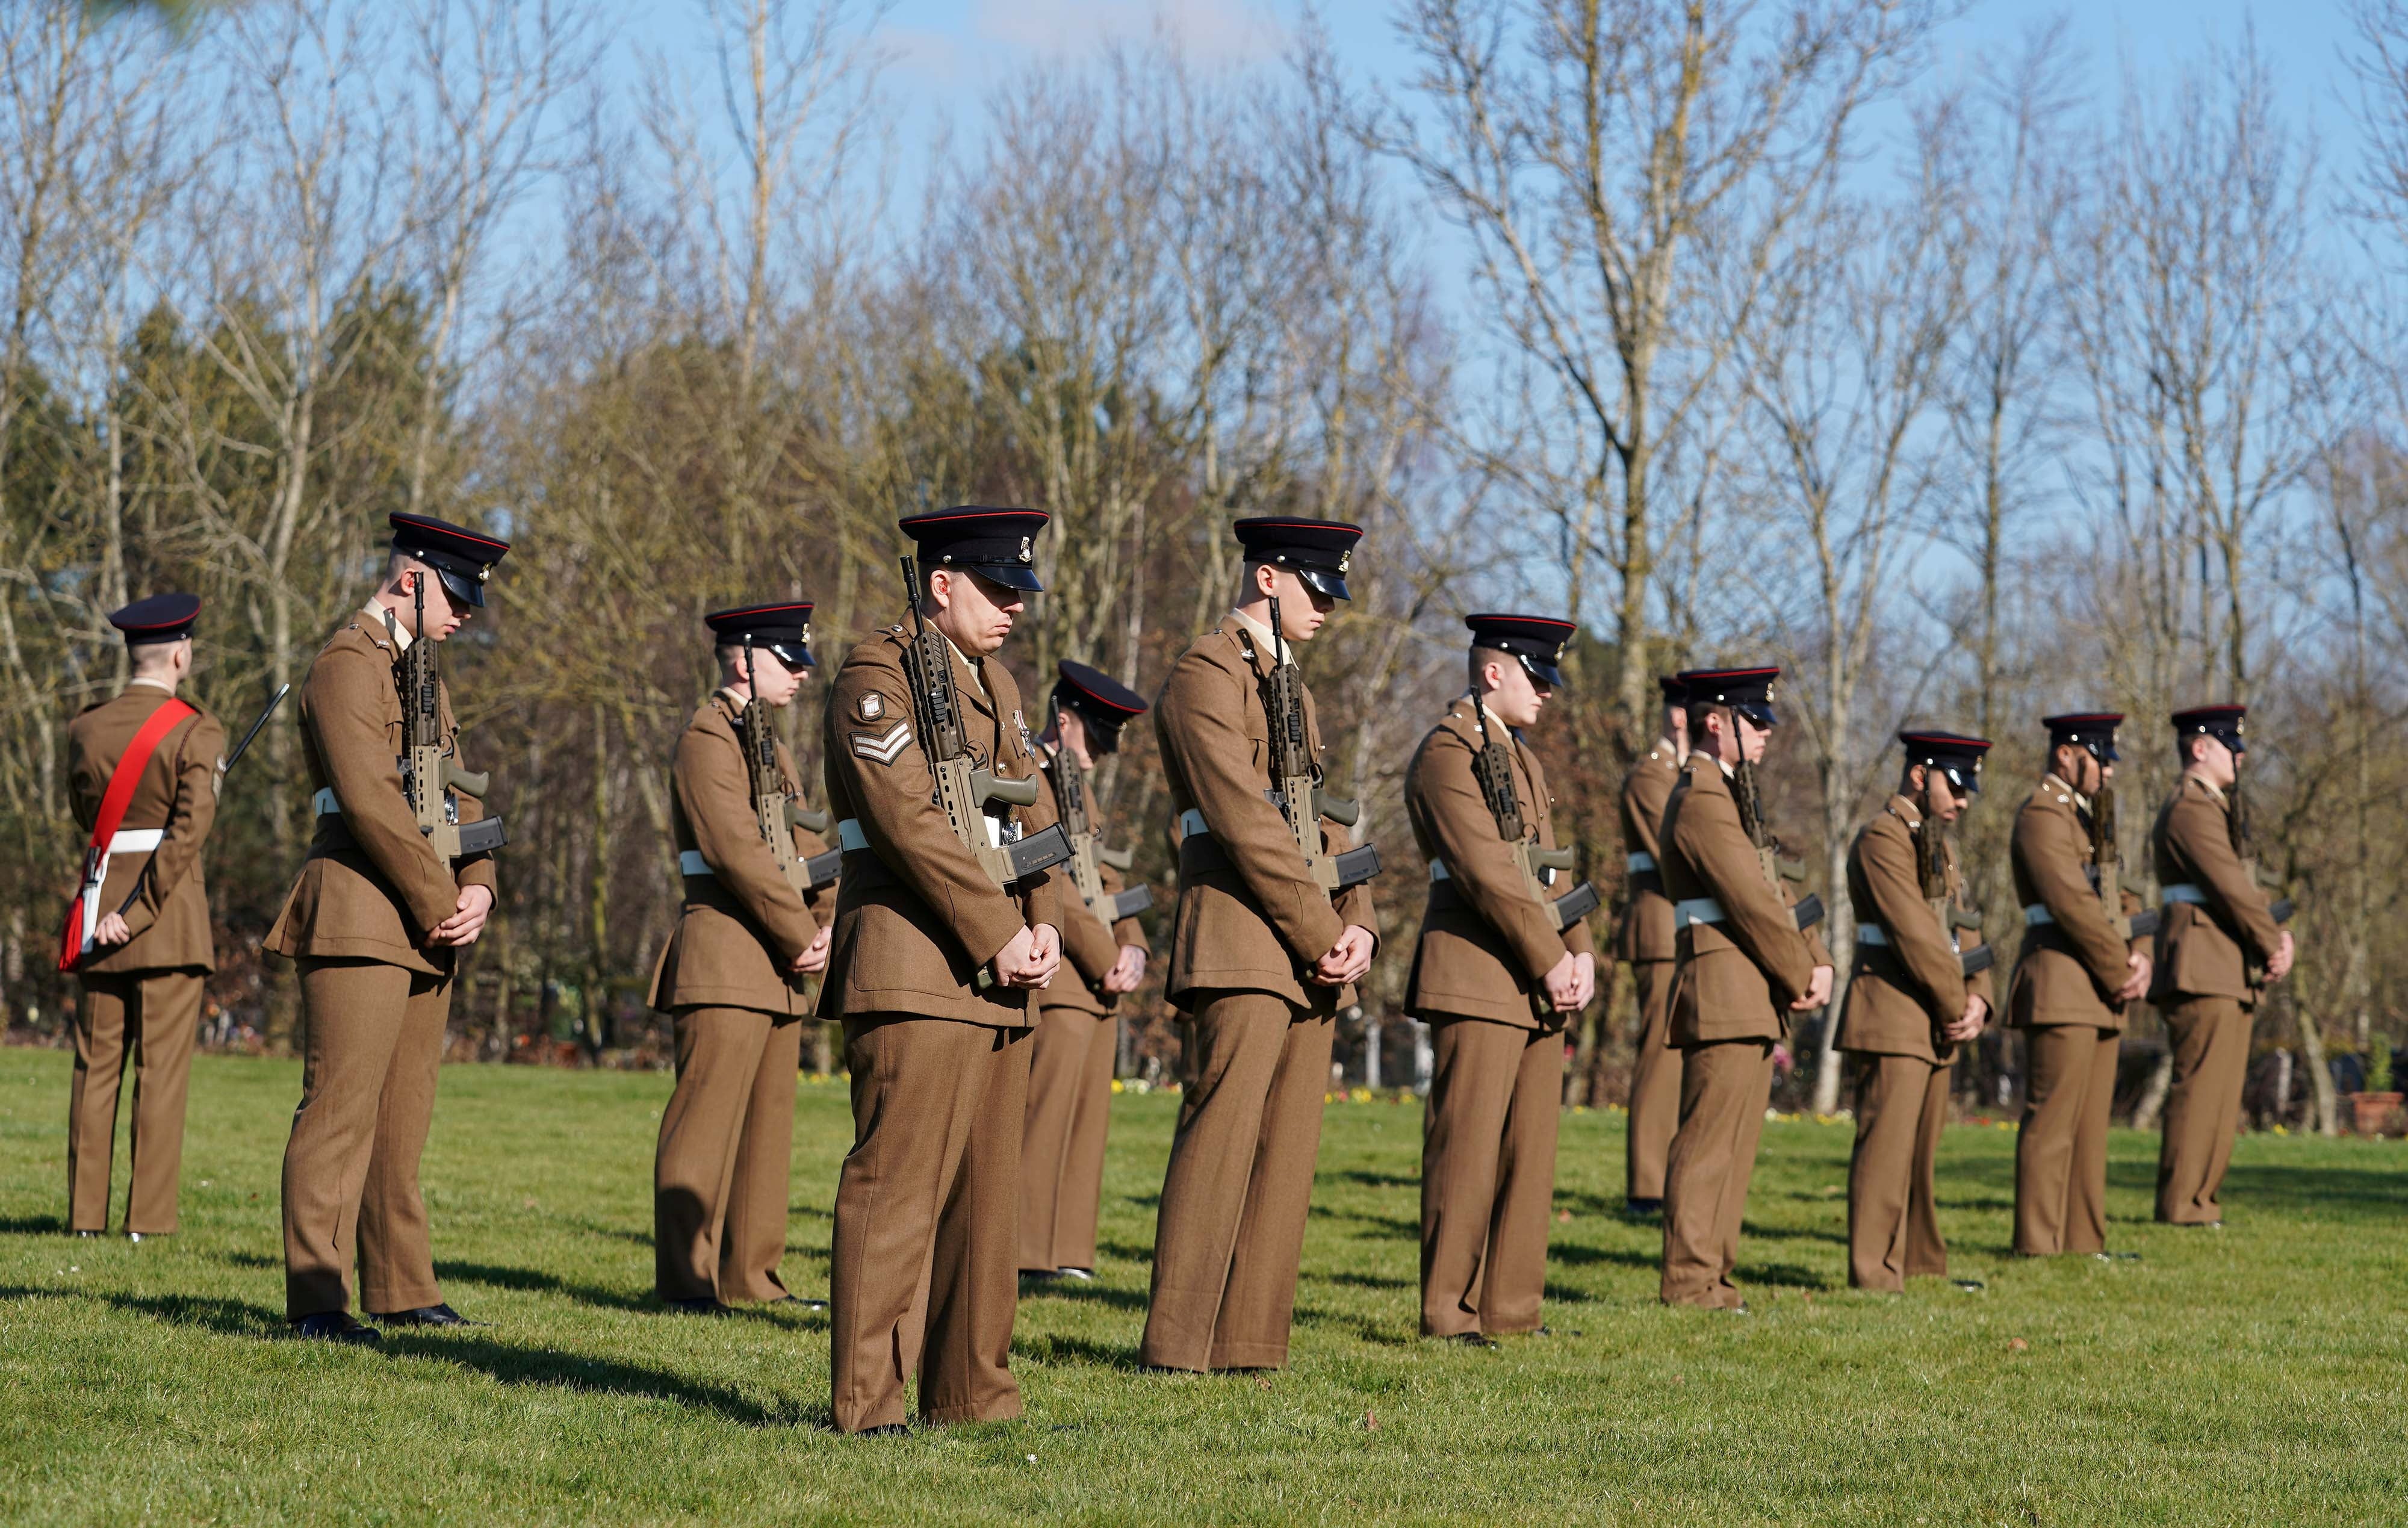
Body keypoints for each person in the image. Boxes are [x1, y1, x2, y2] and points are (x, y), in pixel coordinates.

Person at [819, 506, 1066, 1436]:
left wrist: (1039, 927)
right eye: (998, 589)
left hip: (1000, 973)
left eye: (1019, 590)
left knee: (985, 1202)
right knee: (897, 1190)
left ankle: (970, 1395)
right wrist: (1001, 928)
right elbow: (908, 819)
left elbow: (1028, 821)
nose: (1013, 607)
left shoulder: (994, 682)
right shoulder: (876, 676)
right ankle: (871, 1404)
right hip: (916, 964)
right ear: (941, 584)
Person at [1139, 516, 1379, 1373]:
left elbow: (1320, 816)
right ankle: (1177, 1342)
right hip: (1245, 932)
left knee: (1286, 1154)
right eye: (1316, 590)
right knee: (1224, 1138)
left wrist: (1361, 923)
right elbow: (1243, 816)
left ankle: (1248, 1341)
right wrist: (1323, 928)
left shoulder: (1291, 686)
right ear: (1268, 578)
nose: (1327, 608)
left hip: (1308, 941)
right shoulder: (1208, 670)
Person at [269, 513, 509, 1343]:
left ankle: (402, 1285)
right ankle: (318, 1298)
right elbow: (371, 800)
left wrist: (479, 883)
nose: (471, 611)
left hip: (427, 910)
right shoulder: (346, 666)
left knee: (404, 1114)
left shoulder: (425, 677)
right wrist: (442, 895)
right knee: (340, 1109)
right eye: (459, 591)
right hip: (362, 906)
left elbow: (461, 790)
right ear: (410, 578)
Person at [1403, 613, 1595, 1344]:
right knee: (1468, 1151)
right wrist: (1553, 958)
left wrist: (1580, 952)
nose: (1548, 692)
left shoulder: (1524, 760)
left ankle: (1512, 1309)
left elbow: (1553, 869)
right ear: (1494, 672)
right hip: (1479, 970)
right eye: (1537, 677)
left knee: (1527, 1153)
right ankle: (1449, 1312)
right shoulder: (1446, 754)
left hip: (1538, 973)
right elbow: (1485, 872)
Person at [650, 603, 836, 1313]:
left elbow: (803, 845)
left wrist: (823, 919)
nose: (800, 676)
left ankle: (751, 1276)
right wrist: (800, 931)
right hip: (728, 951)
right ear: (742, 660)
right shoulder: (707, 738)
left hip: (779, 961)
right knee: (704, 1128)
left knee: (768, 1134)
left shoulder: (770, 748)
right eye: (787, 662)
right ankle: (686, 1282)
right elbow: (734, 849)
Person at [1655, 665, 1832, 1312]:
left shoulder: (1731, 793)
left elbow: (1777, 887)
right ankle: (1688, 1279)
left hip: (1749, 986)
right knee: (1708, 1143)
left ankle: (1714, 1278)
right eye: (1754, 722)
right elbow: (1751, 901)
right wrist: (1800, 971)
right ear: (1714, 722)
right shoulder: (1701, 795)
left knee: (1734, 1144)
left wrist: (1819, 957)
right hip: (1723, 984)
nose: (1765, 734)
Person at [61, 593, 228, 1242]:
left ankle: (83, 1219)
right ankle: (147, 1223)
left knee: (94, 1066)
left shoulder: (86, 727)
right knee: (160, 1073)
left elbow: (86, 818)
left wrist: (116, 908)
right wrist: (143, 911)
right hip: (167, 921)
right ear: (181, 654)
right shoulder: (197, 728)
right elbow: (187, 835)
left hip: (100, 901)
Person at [1837, 731, 1994, 1292]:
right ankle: (1875, 1272)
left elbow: (1963, 925)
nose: (1964, 799)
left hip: (1935, 1013)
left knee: (1921, 1150)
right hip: (1895, 1010)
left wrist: (1981, 996)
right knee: (1887, 1149)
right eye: (1955, 784)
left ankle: (1920, 1264)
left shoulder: (1938, 844)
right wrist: (1959, 1003)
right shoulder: (1884, 839)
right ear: (1920, 776)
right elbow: (1915, 935)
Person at [1019, 660, 1151, 1285]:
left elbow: (1106, 875)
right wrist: (1105, 955)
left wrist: (1134, 945)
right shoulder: (1033, 777)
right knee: (1045, 1117)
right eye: (1094, 739)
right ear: (1063, 719)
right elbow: (1053, 884)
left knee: (1086, 1120)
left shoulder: (1079, 785)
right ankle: (1026, 1250)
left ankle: (1068, 1248)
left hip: (1099, 975)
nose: (1100, 756)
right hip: (1065, 971)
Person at [2006, 712, 2149, 1258]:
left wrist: (2144, 957)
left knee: (2090, 1128)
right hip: (2062, 979)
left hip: (2100, 983)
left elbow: (2124, 896)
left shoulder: (2089, 819)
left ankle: (2083, 1240)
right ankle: (2038, 1244)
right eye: (2101, 757)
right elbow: (2072, 904)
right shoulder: (2043, 816)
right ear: (2067, 755)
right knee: (2054, 1121)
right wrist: (2122, 969)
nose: (2109, 770)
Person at [2150, 704, 2292, 1228]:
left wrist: (2273, 939)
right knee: (2201, 1088)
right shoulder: (2191, 808)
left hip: (2222, 963)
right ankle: (2182, 1202)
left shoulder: (2211, 807)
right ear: (2199, 748)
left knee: (2221, 1092)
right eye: (2230, 743)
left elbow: (2240, 888)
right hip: (2201, 962)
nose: (2241, 753)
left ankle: (2201, 1200)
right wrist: (2274, 943)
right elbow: (2230, 888)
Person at [1618, 674, 1687, 1214]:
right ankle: (1646, 1183)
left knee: (1677, 1055)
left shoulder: (1680, 777)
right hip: (1660, 928)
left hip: (1680, 928)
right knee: (1660, 1055)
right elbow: (1677, 857)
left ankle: (1667, 1176)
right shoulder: (1652, 777)